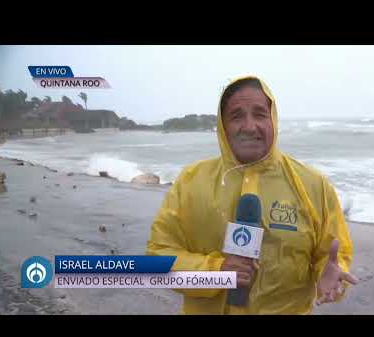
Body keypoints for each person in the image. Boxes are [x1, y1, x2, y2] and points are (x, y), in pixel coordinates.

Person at [146, 75, 358, 315]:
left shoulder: (314, 185)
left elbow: (332, 255)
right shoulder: (190, 181)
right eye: (236, 116)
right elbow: (158, 258)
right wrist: (216, 272)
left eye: (259, 114)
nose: (249, 126)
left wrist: (332, 274)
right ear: (222, 126)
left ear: (273, 120)